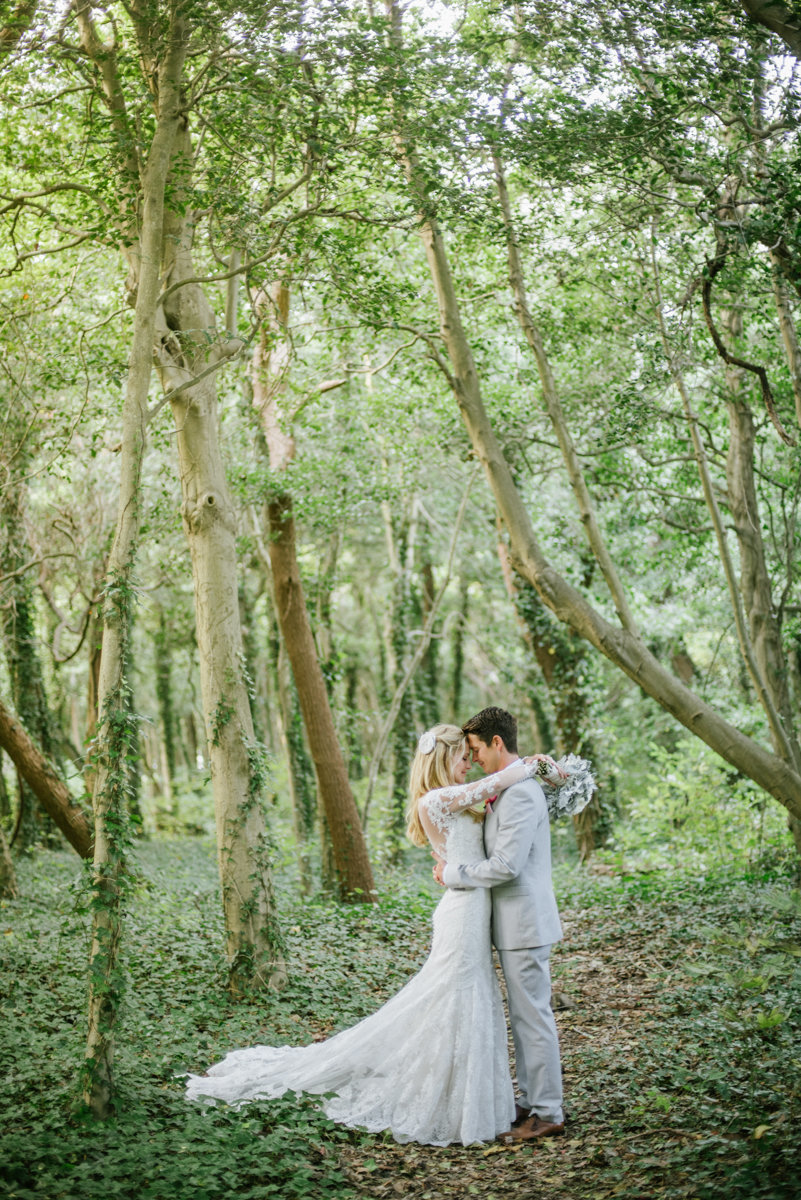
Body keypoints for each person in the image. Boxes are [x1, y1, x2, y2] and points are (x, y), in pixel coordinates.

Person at [185, 723, 551, 1146]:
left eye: (471, 757)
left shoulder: (460, 799)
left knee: (466, 1000)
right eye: (462, 757)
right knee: (455, 1000)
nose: (468, 764)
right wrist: (535, 764)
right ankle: (454, 1101)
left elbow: (497, 800)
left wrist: (550, 777)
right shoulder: (437, 799)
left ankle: (473, 1098)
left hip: (474, 907)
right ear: (440, 759)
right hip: (463, 910)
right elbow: (501, 779)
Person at [433, 706, 566, 1142]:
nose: (474, 761)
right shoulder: (505, 790)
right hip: (509, 924)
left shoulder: (523, 794)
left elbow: (507, 866)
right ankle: (530, 1101)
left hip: (525, 923)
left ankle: (548, 1111)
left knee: (533, 1018)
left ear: (496, 742)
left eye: (475, 749)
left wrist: (454, 874)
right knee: (524, 1017)